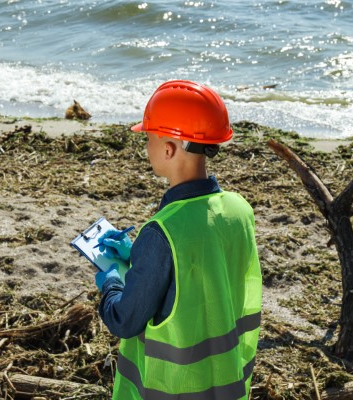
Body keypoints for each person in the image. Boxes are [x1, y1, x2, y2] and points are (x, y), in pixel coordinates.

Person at [95, 79, 262, 400]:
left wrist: (111, 283)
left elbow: (124, 319)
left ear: (169, 148)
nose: (147, 149)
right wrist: (137, 256)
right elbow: (202, 271)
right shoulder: (240, 210)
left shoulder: (161, 232)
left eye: (148, 139)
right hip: (227, 385)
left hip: (175, 390)